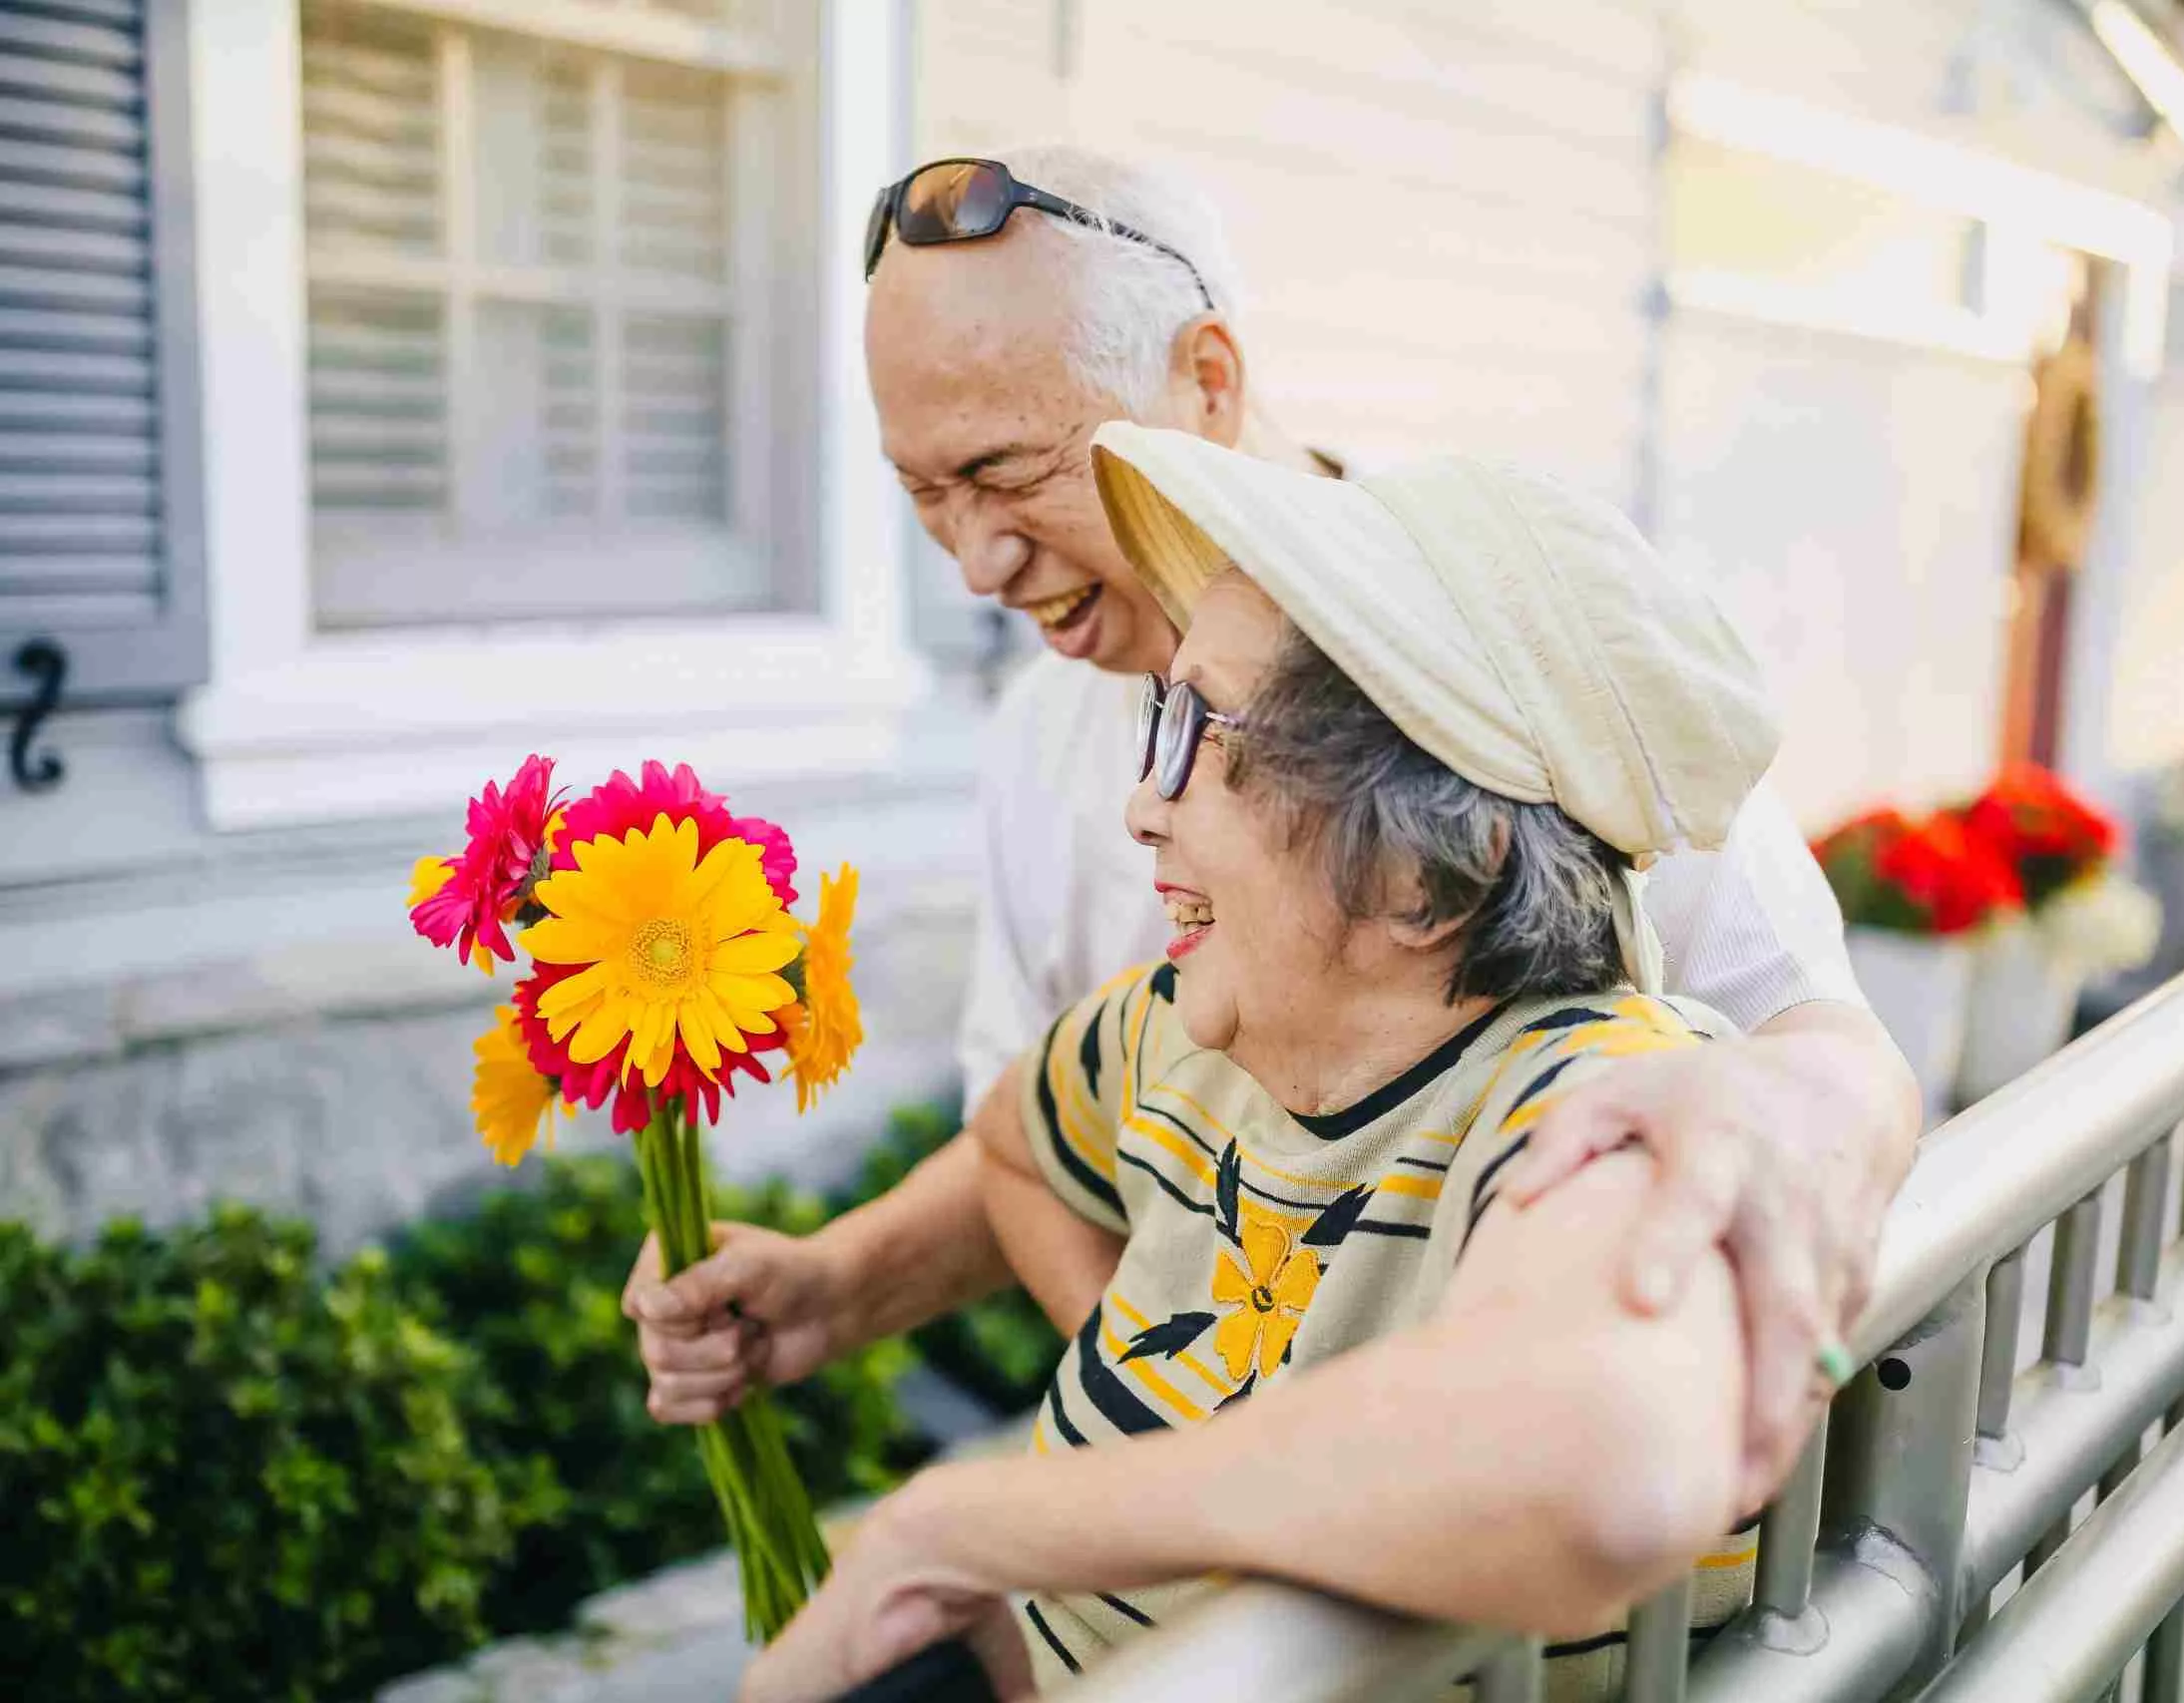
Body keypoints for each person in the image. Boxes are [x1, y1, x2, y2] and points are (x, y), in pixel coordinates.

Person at [628, 147, 1916, 1530]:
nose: (976, 563)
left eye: (1005, 471)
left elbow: (1818, 1043)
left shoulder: (1490, 642)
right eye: (926, 495)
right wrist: (852, 1289)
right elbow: (1051, 1129)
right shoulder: (1038, 741)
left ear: (1209, 381)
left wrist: (1779, 1107)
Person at [738, 420, 1799, 1701]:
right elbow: (1017, 1147)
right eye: (1157, 720)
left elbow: (1600, 1471)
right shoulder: (1176, 1035)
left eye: (1208, 735)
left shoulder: (1590, 1104)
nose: (1145, 800)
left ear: (1426, 874)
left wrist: (956, 1527)